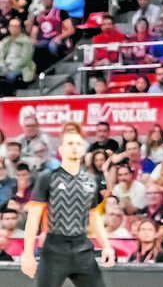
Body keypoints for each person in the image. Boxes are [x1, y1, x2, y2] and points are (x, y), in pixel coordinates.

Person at [21, 122, 114, 285]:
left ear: (84, 149)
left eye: (78, 143)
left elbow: (93, 217)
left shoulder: (91, 181)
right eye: (70, 143)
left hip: (82, 249)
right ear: (61, 149)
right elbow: (33, 218)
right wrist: (27, 253)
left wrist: (106, 245)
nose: (75, 147)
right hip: (54, 249)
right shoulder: (47, 178)